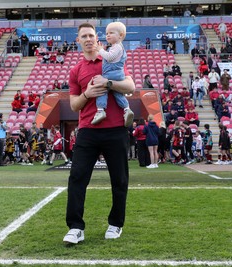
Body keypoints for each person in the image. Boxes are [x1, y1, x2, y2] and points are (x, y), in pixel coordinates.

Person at [63, 23, 135, 244]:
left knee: (119, 179)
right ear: (78, 41)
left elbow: (130, 86)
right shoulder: (76, 70)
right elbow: (74, 105)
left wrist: (109, 83)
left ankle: (115, 224)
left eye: (91, 35)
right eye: (83, 36)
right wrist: (87, 94)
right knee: (77, 178)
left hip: (116, 130)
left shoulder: (111, 59)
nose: (88, 39)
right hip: (87, 131)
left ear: (98, 39)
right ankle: (76, 227)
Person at [92, 22, 134, 127]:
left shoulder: (117, 47)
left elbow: (109, 57)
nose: (108, 35)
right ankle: (126, 110)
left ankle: (100, 110)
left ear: (121, 35)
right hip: (118, 74)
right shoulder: (116, 47)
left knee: (102, 88)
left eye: (111, 33)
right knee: (118, 93)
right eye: (106, 33)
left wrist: (100, 50)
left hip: (112, 73)